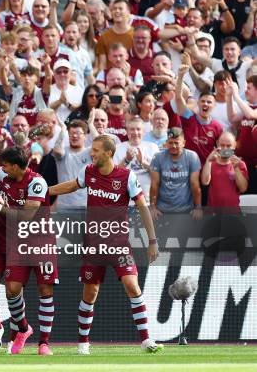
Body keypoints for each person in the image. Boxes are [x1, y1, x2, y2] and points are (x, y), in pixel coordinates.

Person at [49, 135, 162, 355]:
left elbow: (143, 207)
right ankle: (83, 343)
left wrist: (152, 240)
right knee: (90, 292)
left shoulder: (126, 177)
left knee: (132, 285)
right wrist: (46, 189)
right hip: (93, 244)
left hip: (119, 243)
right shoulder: (89, 172)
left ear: (109, 153)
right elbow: (72, 186)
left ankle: (146, 340)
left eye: (97, 150)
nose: (92, 154)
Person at [0, 147, 54, 355]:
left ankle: (44, 343)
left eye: (6, 166)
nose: (3, 169)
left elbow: (27, 216)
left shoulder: (36, 182)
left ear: (17, 167)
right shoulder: (5, 174)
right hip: (18, 242)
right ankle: (24, 329)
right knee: (12, 289)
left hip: (41, 239)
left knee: (45, 290)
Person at [150, 128, 202, 219]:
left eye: (176, 143)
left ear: (184, 143)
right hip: (162, 210)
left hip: (186, 210)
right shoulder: (158, 157)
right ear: (166, 143)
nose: (173, 146)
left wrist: (198, 207)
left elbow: (195, 185)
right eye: (170, 143)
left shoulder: (192, 157)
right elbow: (154, 184)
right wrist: (152, 207)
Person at [113, 118, 161, 204]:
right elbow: (113, 175)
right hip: (125, 200)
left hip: (148, 200)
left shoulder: (152, 147)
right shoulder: (118, 148)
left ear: (143, 132)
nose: (135, 132)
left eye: (138, 129)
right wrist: (126, 160)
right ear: (127, 132)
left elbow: (158, 175)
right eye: (132, 129)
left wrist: (143, 162)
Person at [201, 132, 248, 208]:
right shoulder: (211, 162)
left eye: (228, 146)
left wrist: (236, 168)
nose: (225, 149)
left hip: (233, 212)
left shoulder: (240, 164)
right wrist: (208, 161)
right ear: (217, 144)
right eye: (222, 145)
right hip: (213, 212)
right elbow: (205, 182)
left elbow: (243, 188)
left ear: (234, 145)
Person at [52, 120, 91, 210]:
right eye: (71, 133)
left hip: (84, 205)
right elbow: (57, 150)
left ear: (85, 136)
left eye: (78, 133)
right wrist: (63, 130)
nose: (74, 136)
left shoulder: (90, 152)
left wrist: (91, 125)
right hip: (64, 206)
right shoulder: (63, 152)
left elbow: (102, 148)